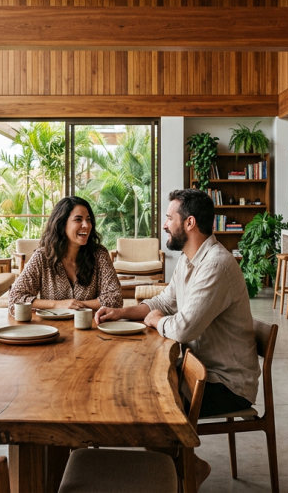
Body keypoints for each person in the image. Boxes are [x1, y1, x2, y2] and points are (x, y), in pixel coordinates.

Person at [96, 190, 260, 471]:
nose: (164, 224)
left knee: (149, 406)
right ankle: (172, 468)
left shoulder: (216, 265)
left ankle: (186, 469)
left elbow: (182, 329)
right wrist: (122, 312)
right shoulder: (188, 259)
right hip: (198, 370)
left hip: (225, 384)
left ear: (190, 223)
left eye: (170, 218)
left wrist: (155, 320)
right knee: (139, 386)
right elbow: (164, 302)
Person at [10, 196, 123, 311]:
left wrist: (74, 306)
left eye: (88, 220)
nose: (86, 225)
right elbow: (16, 298)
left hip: (90, 325)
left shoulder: (99, 254)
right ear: (62, 224)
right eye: (78, 219)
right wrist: (57, 305)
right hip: (50, 327)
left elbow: (115, 299)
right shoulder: (42, 257)